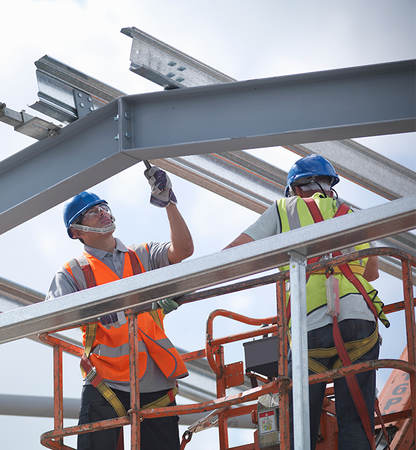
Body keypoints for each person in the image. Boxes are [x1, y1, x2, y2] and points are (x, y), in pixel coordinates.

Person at [226, 154, 389, 450]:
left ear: (295, 189)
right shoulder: (349, 213)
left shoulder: (283, 210)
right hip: (359, 321)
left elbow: (236, 253)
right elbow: (373, 272)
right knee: (356, 422)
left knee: (299, 427)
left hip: (309, 326)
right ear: (329, 186)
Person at [46, 166, 194, 450]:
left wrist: (169, 202)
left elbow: (184, 250)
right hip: (106, 380)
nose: (103, 213)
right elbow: (51, 318)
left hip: (155, 379)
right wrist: (92, 308)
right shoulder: (72, 273)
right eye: (93, 211)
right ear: (77, 231)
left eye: (104, 207)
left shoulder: (142, 256)